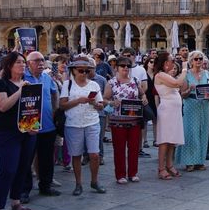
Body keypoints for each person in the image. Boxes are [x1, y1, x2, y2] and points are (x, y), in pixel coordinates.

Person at [0, 52, 34, 210]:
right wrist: (20, 91)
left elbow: (30, 109)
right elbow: (2, 106)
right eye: (18, 62)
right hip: (7, 133)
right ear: (9, 65)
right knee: (7, 170)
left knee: (23, 168)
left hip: (26, 132)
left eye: (24, 62)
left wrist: (33, 126)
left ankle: (16, 201)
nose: (22, 65)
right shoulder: (1, 84)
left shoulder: (27, 84)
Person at [59, 55, 106, 195]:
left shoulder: (94, 85)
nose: (84, 73)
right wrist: (79, 100)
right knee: (76, 155)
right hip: (73, 124)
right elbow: (62, 105)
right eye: (81, 70)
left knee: (95, 154)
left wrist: (95, 104)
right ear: (73, 71)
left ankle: (94, 181)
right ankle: (78, 184)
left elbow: (101, 106)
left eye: (86, 71)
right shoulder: (68, 85)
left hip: (91, 122)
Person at [22, 51, 60, 199]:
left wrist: (55, 110)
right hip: (29, 124)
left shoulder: (46, 77)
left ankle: (45, 185)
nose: (41, 63)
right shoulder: (23, 77)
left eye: (42, 60)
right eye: (37, 61)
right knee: (27, 158)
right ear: (28, 63)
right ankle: (24, 190)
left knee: (46, 158)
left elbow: (54, 93)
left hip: (47, 124)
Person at [104, 57, 147, 183]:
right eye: (123, 66)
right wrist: (112, 102)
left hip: (134, 120)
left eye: (128, 66)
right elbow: (104, 99)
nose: (126, 68)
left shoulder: (135, 80)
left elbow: (142, 93)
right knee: (119, 148)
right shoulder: (111, 83)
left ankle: (133, 173)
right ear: (116, 67)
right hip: (118, 120)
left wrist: (144, 98)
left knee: (134, 148)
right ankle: (120, 175)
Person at [176, 51, 209, 171]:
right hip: (191, 104)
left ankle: (199, 161)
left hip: (204, 105)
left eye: (200, 59)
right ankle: (189, 161)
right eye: (196, 59)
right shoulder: (187, 75)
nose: (198, 61)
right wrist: (189, 89)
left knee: (203, 132)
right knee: (191, 133)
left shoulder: (207, 73)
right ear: (191, 61)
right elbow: (183, 94)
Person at [153, 52, 186, 179]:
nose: (174, 62)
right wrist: (184, 69)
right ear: (166, 63)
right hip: (167, 110)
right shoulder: (160, 75)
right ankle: (161, 168)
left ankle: (170, 165)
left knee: (172, 139)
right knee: (165, 140)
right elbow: (177, 83)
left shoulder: (166, 75)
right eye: (172, 60)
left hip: (174, 111)